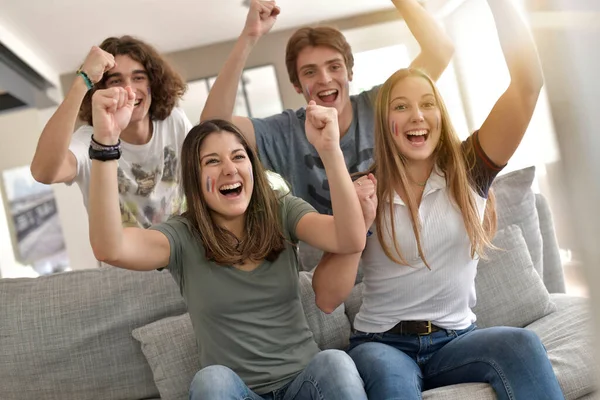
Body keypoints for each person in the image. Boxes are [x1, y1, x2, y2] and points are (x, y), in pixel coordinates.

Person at [313, 0, 565, 399]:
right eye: (402, 106)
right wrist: (357, 225)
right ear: (385, 124)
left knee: (522, 344)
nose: (417, 115)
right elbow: (326, 298)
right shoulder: (363, 186)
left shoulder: (470, 169)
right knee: (392, 383)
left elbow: (527, 85)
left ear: (440, 114)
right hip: (382, 345)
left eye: (427, 103)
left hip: (456, 341)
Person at [85, 72, 368, 399]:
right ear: (195, 178)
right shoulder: (182, 236)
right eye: (212, 162)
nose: (230, 169)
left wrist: (330, 150)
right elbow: (110, 248)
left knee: (335, 361)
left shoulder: (281, 210)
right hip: (237, 392)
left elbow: (348, 239)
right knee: (212, 380)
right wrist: (105, 144)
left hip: (304, 385)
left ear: (252, 166)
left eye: (238, 157)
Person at [201, 0, 455, 215]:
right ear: (297, 85)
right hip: (340, 260)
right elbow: (211, 127)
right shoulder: (285, 132)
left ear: (350, 72)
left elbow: (440, 51)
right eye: (310, 72)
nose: (324, 79)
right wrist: (249, 37)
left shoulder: (381, 104)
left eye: (334, 67)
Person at [31, 36, 191, 229]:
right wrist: (83, 81)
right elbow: (43, 172)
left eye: (138, 78)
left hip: (181, 254)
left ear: (153, 84)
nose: (129, 89)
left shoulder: (174, 121)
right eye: (116, 81)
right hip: (124, 258)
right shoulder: (90, 140)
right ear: (100, 91)